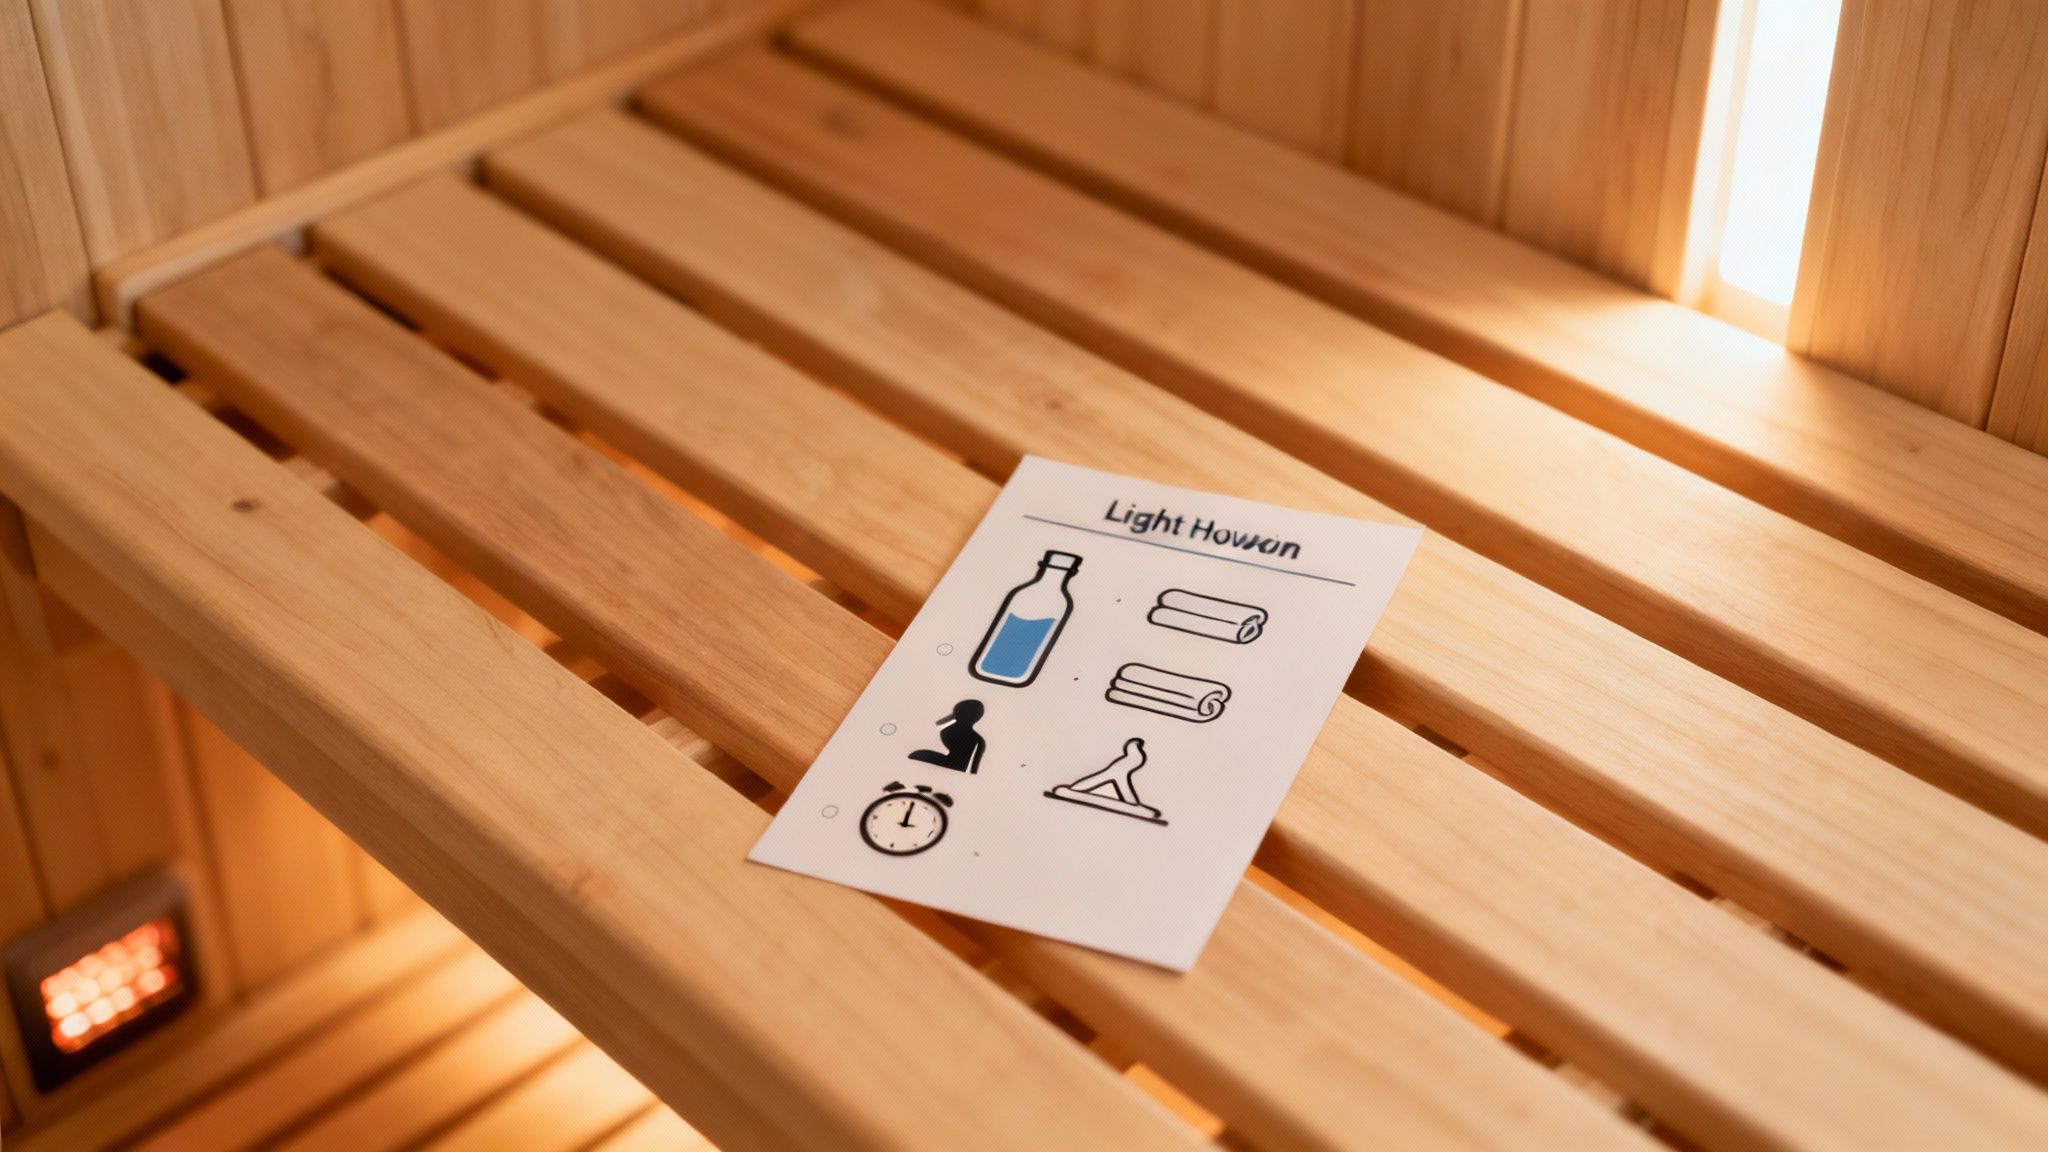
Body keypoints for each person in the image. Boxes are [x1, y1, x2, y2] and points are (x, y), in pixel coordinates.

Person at [907, 699, 987, 774]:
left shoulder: (973, 738)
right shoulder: (978, 739)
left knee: (918, 755)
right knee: (917, 755)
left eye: (956, 712)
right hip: (957, 766)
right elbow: (974, 768)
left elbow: (974, 767)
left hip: (954, 765)